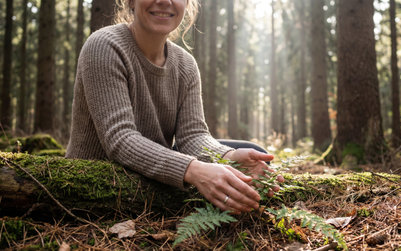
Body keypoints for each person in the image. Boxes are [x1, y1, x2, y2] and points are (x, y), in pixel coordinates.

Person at [66, 0, 283, 214]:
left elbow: (193, 136)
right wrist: (194, 170)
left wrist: (228, 156)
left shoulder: (185, 64)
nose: (164, 2)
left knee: (253, 156)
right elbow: (120, 139)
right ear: (131, 2)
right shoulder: (104, 45)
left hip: (151, 176)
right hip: (97, 183)